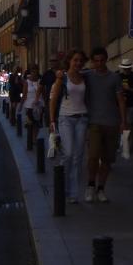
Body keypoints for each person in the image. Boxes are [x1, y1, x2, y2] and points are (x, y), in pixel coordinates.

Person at [83, 46, 125, 203]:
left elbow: (121, 100)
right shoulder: (87, 76)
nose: (99, 64)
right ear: (92, 62)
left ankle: (101, 188)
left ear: (106, 60)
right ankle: (90, 184)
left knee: (107, 159)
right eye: (96, 61)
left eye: (101, 60)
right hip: (94, 122)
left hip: (112, 123)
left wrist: (123, 122)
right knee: (93, 156)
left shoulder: (115, 78)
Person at [49, 50, 90, 204]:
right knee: (69, 153)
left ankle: (73, 193)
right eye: (75, 60)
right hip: (65, 118)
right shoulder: (62, 77)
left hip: (82, 118)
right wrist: (52, 121)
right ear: (69, 61)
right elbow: (53, 100)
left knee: (78, 157)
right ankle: (63, 186)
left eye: (81, 60)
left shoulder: (85, 77)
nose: (78, 63)